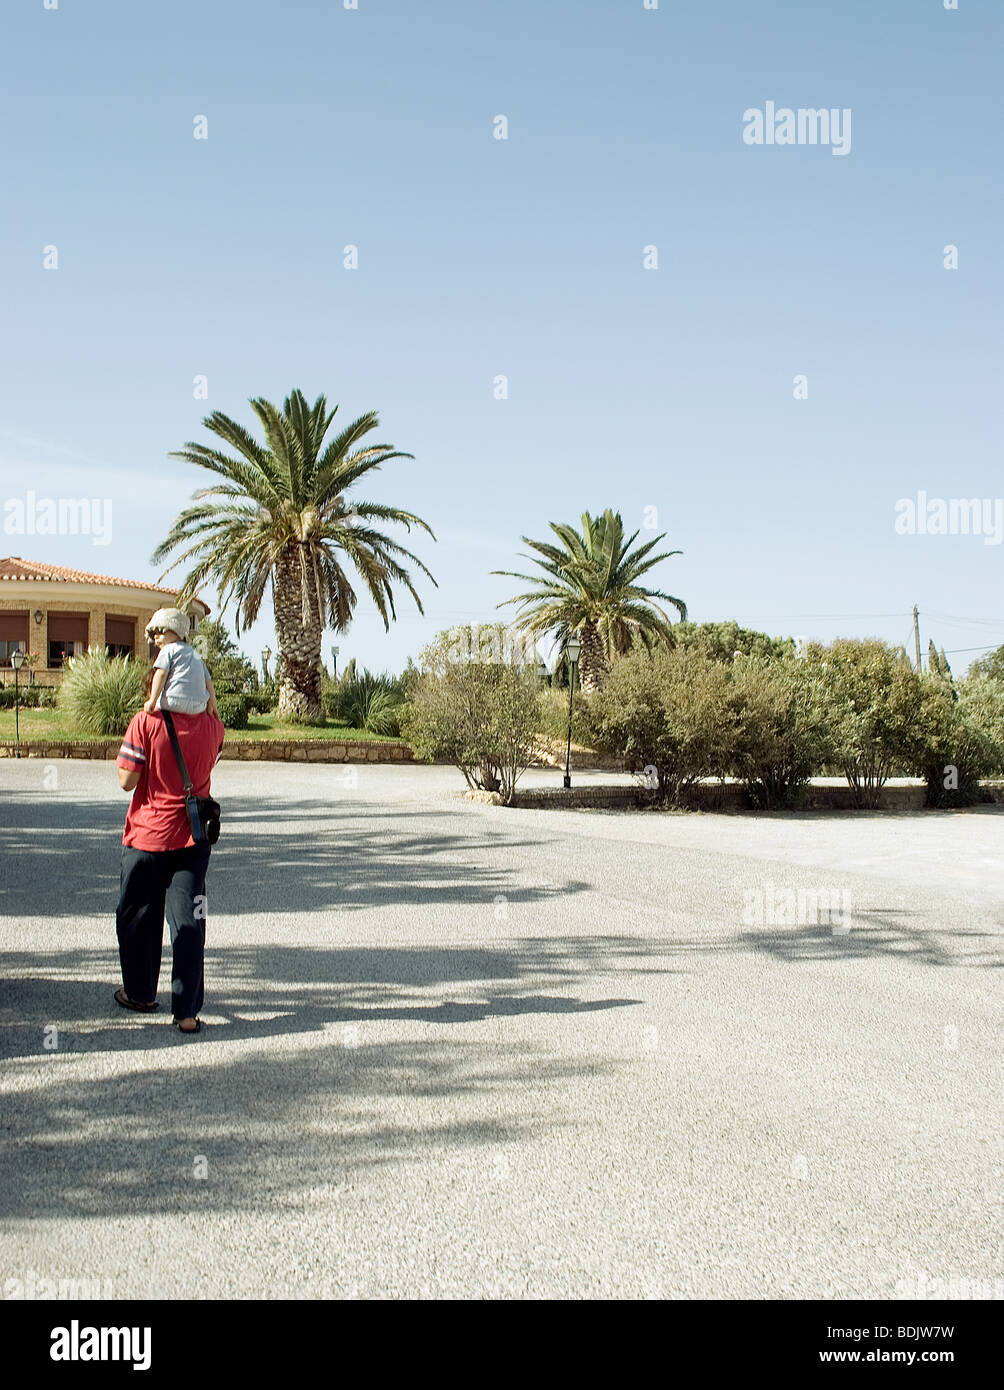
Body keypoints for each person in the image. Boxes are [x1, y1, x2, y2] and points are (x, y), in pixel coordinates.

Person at [114, 636, 225, 1035]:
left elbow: (127, 780)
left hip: (147, 837)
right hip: (192, 842)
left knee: (138, 916)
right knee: (190, 922)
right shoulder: (215, 728)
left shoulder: (145, 723)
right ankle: (187, 1012)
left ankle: (140, 994)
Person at [143, 608, 218, 718]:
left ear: (177, 632)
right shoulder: (195, 654)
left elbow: (161, 674)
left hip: (173, 701)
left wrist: (152, 700)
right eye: (154, 633)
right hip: (198, 705)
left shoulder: (168, 649)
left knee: (158, 702)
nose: (155, 636)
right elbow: (208, 681)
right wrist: (214, 707)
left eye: (161, 631)